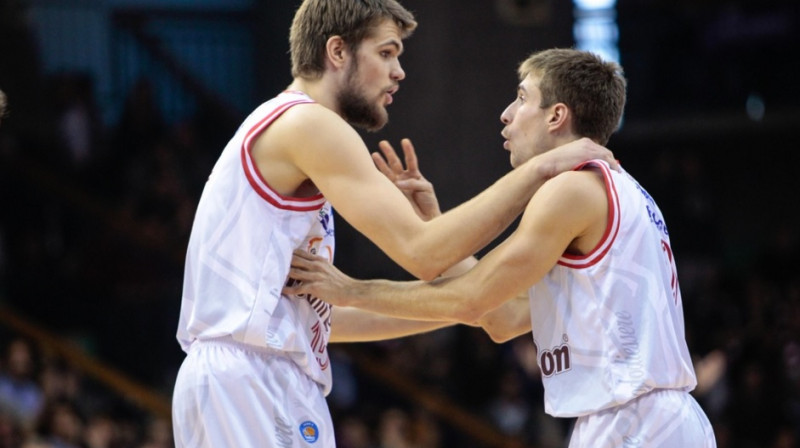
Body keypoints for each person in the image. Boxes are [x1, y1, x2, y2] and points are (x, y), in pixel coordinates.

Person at [170, 1, 617, 446]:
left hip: (248, 377)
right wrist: (539, 169)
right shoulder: (309, 123)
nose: (399, 70)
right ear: (338, 52)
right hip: (249, 377)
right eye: (386, 53)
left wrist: (464, 306)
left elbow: (329, 319)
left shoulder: (289, 130)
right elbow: (424, 251)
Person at [286, 48, 717, 447]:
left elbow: (473, 300)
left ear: (557, 116)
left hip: (636, 421)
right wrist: (433, 224)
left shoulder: (571, 189)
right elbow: (503, 318)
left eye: (521, 97)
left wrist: (350, 290)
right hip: (652, 420)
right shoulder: (618, 191)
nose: (506, 115)